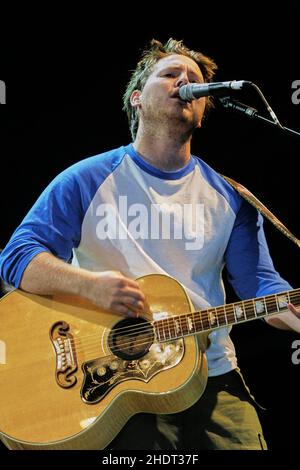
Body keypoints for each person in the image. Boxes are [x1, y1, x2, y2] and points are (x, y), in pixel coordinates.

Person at [0, 38, 299, 451]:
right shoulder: (85, 179)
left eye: (194, 80)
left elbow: (262, 286)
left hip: (211, 376)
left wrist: (289, 307)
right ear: (137, 99)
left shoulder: (232, 197)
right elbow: (16, 259)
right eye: (171, 74)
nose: (185, 82)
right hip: (114, 383)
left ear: (203, 112)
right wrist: (90, 285)